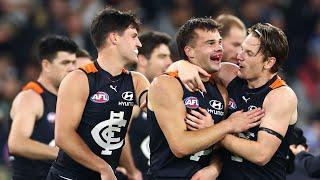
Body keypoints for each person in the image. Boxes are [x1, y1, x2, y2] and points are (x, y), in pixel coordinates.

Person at [171, 23, 297, 179]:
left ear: (269, 62)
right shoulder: (229, 74)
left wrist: (215, 130)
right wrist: (181, 64)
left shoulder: (280, 96)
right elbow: (189, 67)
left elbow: (261, 155)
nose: (240, 55)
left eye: (249, 53)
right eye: (242, 48)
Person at [147, 17, 264, 179]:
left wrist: (215, 167)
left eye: (220, 42)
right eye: (210, 43)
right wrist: (229, 124)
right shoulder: (166, 84)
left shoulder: (221, 90)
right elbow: (180, 146)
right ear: (190, 51)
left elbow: (218, 146)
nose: (219, 48)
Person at [46, 8, 150, 180]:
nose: (139, 43)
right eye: (133, 36)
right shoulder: (79, 79)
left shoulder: (137, 81)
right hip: (68, 177)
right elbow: (63, 136)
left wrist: (180, 68)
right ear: (114, 37)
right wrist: (103, 167)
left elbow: (158, 107)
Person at [8, 35, 78, 180]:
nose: (72, 68)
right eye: (65, 63)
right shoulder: (31, 97)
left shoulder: (67, 99)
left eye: (73, 62)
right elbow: (17, 143)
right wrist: (64, 154)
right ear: (46, 65)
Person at [127, 31, 172, 178]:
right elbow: (116, 136)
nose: (169, 62)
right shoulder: (127, 93)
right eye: (162, 56)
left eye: (169, 56)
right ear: (142, 60)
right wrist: (131, 171)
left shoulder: (166, 95)